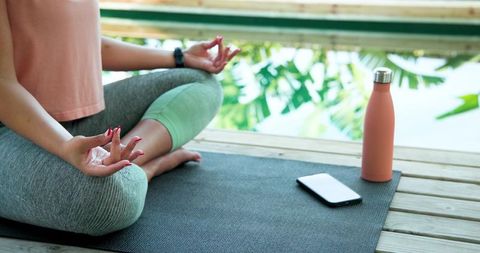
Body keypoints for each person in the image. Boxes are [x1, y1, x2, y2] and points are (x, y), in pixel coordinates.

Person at [0, 0, 240, 236]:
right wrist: (65, 146)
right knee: (107, 204)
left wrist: (179, 57)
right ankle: (146, 168)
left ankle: (125, 161)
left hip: (79, 121)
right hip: (11, 131)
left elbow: (85, 45)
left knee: (200, 83)